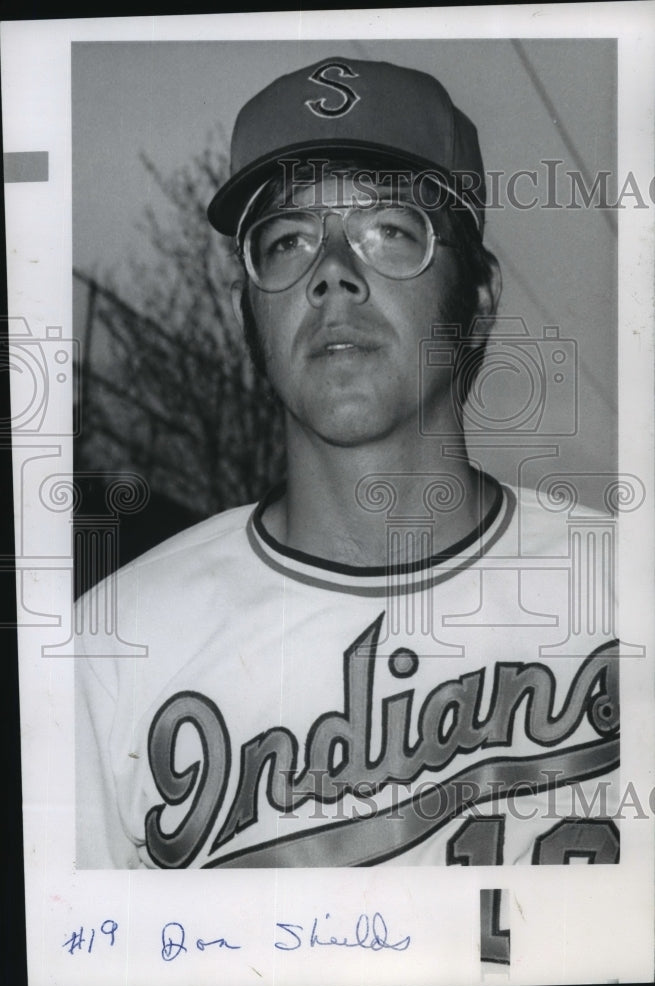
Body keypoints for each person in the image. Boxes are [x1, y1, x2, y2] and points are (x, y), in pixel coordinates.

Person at [76, 56, 620, 871]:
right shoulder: (111, 646)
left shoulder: (625, 587)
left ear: (476, 300)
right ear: (249, 311)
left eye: (388, 232)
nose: (332, 272)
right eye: (287, 240)